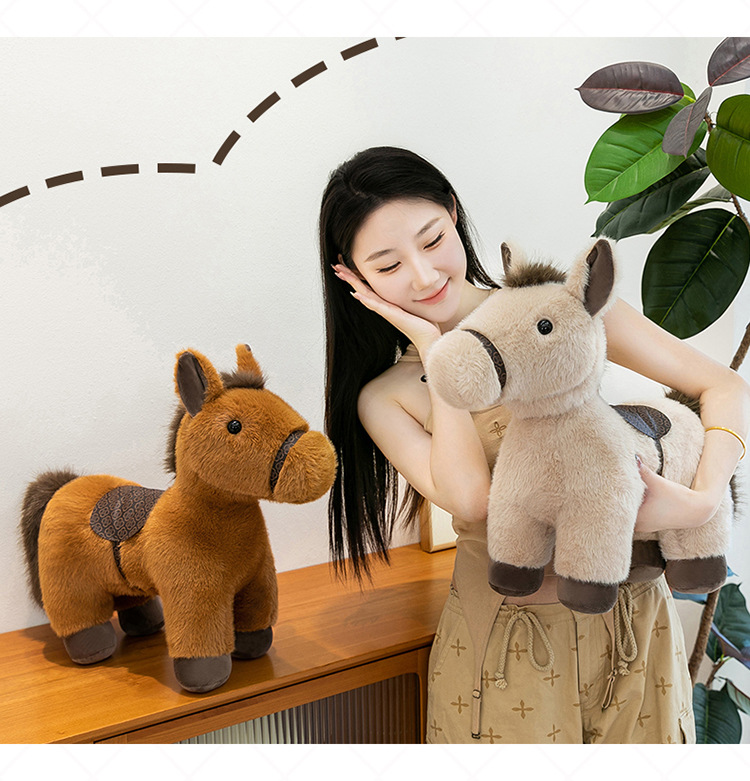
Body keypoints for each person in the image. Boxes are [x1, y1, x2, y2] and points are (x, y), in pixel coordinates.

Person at [317, 146, 750, 744]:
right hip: (509, 646)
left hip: (637, 628)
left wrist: (700, 502)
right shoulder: (386, 397)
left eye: (432, 239)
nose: (423, 276)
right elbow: (472, 501)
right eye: (387, 266)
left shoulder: (561, 308)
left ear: (453, 213)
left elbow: (724, 386)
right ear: (354, 276)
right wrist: (439, 353)